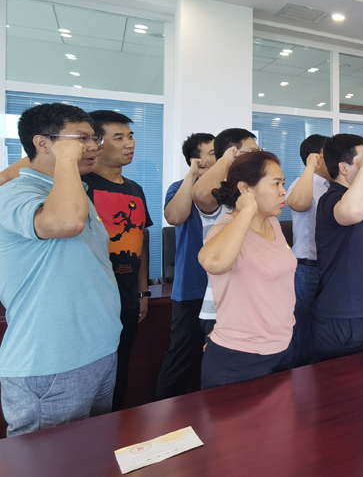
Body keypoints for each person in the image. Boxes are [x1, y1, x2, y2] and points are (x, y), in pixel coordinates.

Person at [0, 104, 121, 436]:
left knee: (93, 452)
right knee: (48, 461)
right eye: (81, 138)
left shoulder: (75, 192)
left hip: (98, 351)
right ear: (42, 143)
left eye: (94, 138)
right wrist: (66, 158)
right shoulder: (16, 193)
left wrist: (68, 154)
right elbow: (65, 223)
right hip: (51, 362)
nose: (94, 146)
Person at [198, 152, 295, 389]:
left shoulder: (272, 222)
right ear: (245, 188)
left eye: (282, 184)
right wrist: (246, 211)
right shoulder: (224, 229)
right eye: (275, 184)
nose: (283, 191)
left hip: (282, 347)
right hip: (240, 357)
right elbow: (212, 263)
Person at [81, 110, 153, 411]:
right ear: (96, 143)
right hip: (92, 302)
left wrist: (142, 291)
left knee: (120, 372)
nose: (129, 144)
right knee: (90, 380)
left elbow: (141, 240)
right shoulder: (82, 185)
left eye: (131, 136)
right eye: (119, 137)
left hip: (128, 298)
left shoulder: (135, 189)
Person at [155, 133, 217, 400]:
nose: (219, 157)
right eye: (213, 153)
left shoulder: (229, 190)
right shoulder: (179, 187)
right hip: (193, 287)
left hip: (223, 289)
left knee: (215, 356)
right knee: (181, 357)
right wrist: (192, 175)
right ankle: (165, 410)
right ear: (196, 159)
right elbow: (174, 217)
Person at [312, 134, 363, 362]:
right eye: (362, 160)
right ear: (343, 168)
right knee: (338, 380)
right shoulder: (332, 198)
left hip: (357, 309)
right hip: (341, 312)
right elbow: (351, 212)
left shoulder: (355, 197)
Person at [191, 129, 260, 336]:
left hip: (255, 306)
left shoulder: (254, 196)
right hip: (221, 310)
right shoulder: (220, 198)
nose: (257, 157)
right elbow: (200, 193)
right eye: (251, 152)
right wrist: (226, 159)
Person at [285, 134, 331, 367]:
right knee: (303, 327)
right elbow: (297, 203)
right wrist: (310, 168)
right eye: (329, 154)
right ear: (317, 158)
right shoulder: (304, 182)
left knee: (321, 326)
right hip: (307, 268)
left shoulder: (331, 186)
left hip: (327, 267)